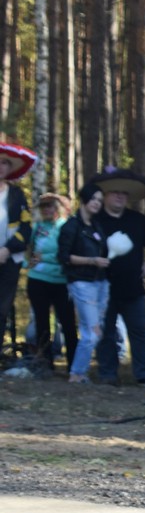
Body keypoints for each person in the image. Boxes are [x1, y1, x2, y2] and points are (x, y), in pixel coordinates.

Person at [91, 169, 145, 387]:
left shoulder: (137, 221)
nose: (119, 197)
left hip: (132, 287)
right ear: (105, 195)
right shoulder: (96, 221)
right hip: (103, 286)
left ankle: (144, 374)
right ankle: (107, 373)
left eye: (123, 193)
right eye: (115, 193)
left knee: (139, 331)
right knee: (106, 332)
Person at [57, 183, 110, 384]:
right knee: (91, 331)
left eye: (99, 200)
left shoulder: (96, 226)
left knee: (97, 330)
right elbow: (64, 256)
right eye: (93, 199)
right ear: (84, 200)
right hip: (81, 282)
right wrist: (91, 261)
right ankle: (76, 374)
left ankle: (81, 372)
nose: (97, 203)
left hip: (100, 281)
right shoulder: (71, 226)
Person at [25, 192, 78, 371]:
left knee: (68, 323)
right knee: (42, 322)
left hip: (62, 280)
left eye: (51, 206)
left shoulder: (68, 226)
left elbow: (68, 252)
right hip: (38, 279)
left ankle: (74, 364)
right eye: (44, 207)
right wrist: (28, 262)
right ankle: (46, 362)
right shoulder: (38, 227)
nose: (47, 210)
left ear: (59, 209)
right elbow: (28, 249)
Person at [0, 142, 36, 358]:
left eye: (5, 163)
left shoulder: (17, 195)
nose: (1, 167)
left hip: (9, 260)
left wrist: (6, 250)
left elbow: (26, 228)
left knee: (2, 309)